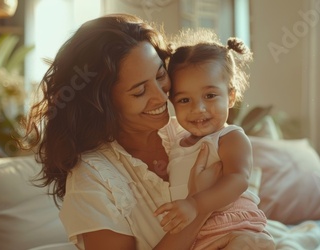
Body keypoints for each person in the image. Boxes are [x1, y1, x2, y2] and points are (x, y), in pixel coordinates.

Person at [21, 13, 271, 250]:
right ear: (103, 104)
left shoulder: (185, 133)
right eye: (139, 91)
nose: (162, 96)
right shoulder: (93, 178)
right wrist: (200, 203)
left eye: (160, 75)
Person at [153, 30, 275, 250]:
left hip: (234, 227)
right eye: (184, 100)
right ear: (171, 102)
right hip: (197, 237)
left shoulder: (230, 138)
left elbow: (238, 179)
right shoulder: (176, 140)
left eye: (209, 96)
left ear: (230, 96)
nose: (198, 109)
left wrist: (194, 203)